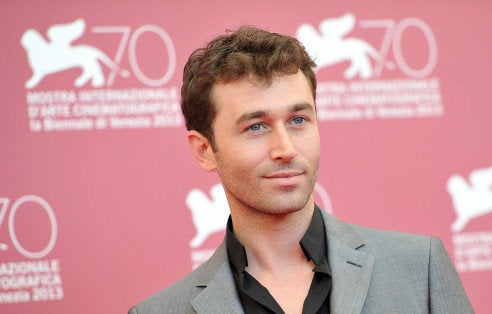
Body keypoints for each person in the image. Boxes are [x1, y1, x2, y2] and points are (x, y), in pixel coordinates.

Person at [129, 25, 473, 314]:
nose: (286, 149)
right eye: (256, 127)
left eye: (298, 120)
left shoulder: (419, 269)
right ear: (205, 151)